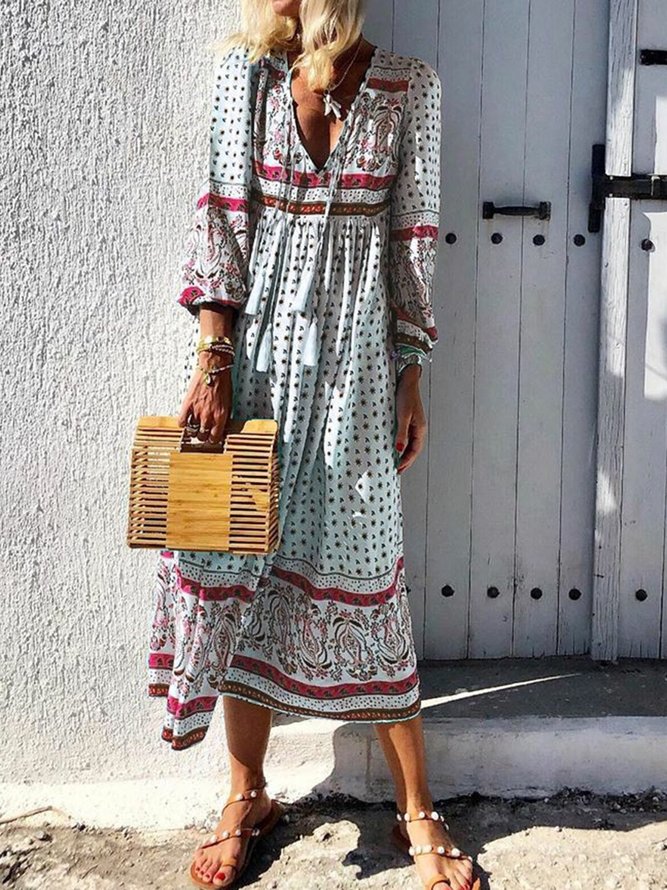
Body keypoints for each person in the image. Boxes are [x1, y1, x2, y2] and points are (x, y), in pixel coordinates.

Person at [148, 1, 480, 888]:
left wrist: (411, 372)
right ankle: (245, 794)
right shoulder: (247, 76)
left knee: (369, 572)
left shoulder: (408, 87)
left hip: (356, 371)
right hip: (255, 365)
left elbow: (412, 237)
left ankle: (415, 808)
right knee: (239, 565)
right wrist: (212, 362)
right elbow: (223, 216)